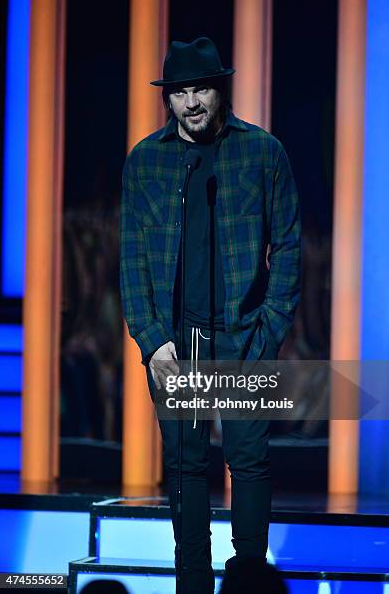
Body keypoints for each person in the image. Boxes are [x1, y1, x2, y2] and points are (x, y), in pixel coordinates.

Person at [119, 36, 301, 594]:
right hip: (179, 341)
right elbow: (130, 257)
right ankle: (192, 584)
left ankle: (247, 581)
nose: (192, 102)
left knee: (247, 460)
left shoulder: (262, 152)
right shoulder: (146, 161)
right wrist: (152, 341)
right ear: (167, 99)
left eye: (200, 89)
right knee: (186, 466)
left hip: (244, 336)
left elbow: (289, 244)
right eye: (180, 92)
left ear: (220, 90)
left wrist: (269, 327)